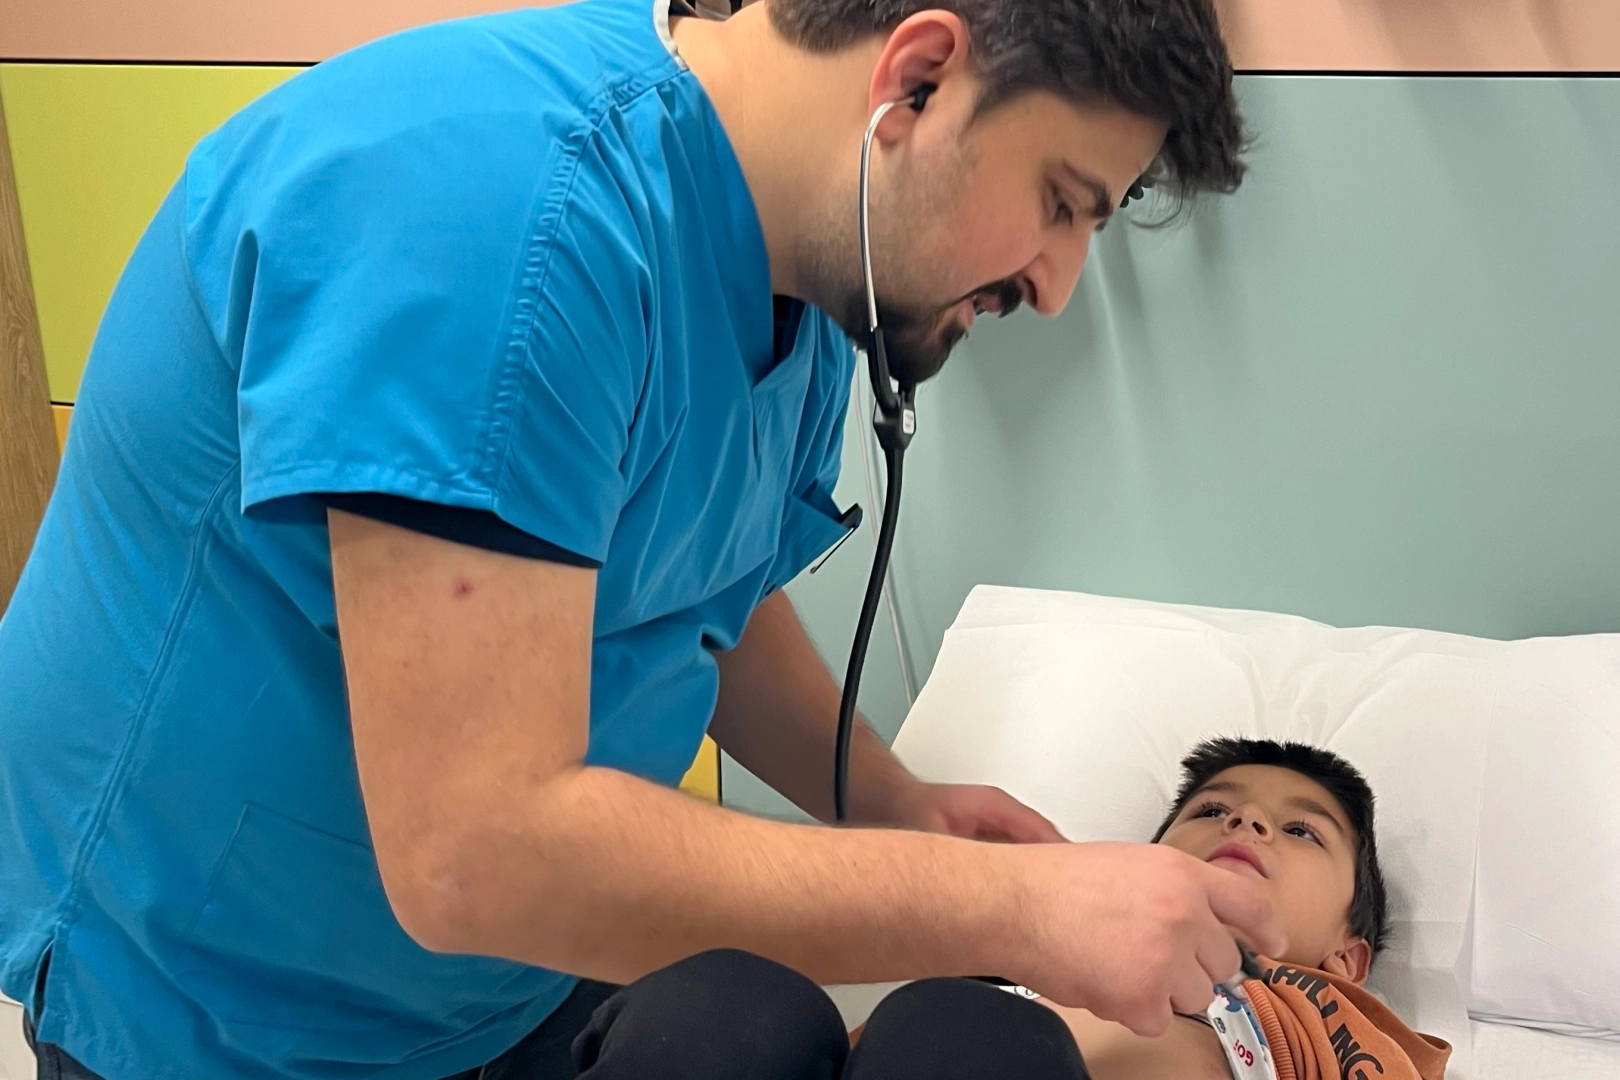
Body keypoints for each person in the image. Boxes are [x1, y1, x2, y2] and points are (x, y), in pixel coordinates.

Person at [0, 0, 1271, 1077]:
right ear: (919, 78)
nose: (1055, 285)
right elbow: (477, 856)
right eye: (1062, 203)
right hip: (224, 1011)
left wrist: (889, 800)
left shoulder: (811, 271)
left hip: (504, 983)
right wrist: (1016, 912)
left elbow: (696, 582)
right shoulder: (498, 220)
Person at [566, 739, 1450, 1080]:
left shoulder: (1323, 1017)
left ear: (1346, 958)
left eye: (1301, 831)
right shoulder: (1019, 951)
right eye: (1213, 809)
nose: (1247, 822)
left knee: (962, 1032)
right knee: (726, 1000)